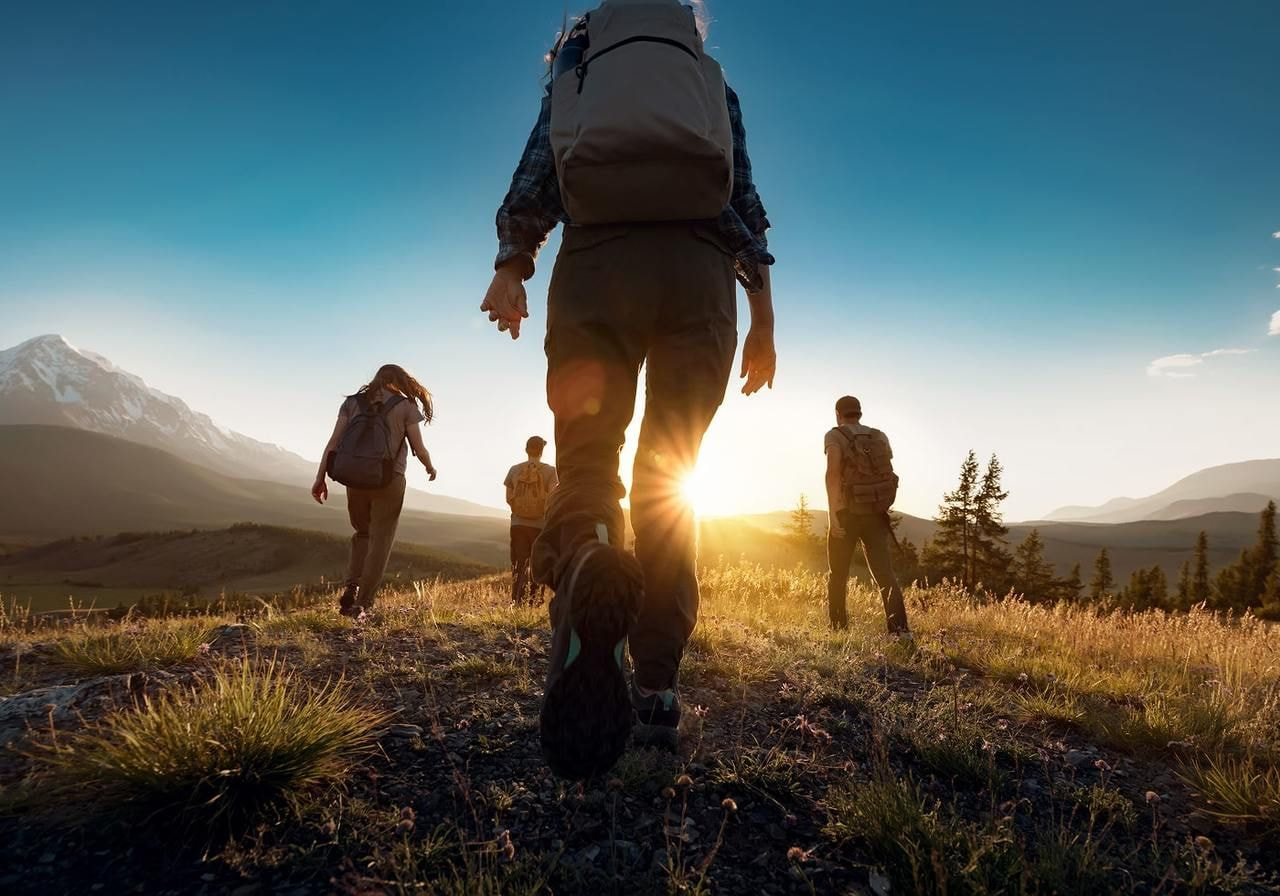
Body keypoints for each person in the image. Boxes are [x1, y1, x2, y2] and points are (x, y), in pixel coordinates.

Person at [481, 0, 777, 779]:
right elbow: (743, 204)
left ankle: (586, 557)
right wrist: (763, 321)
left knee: (586, 461)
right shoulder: (709, 83)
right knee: (668, 479)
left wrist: (512, 262)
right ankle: (655, 693)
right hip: (699, 281)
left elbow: (540, 170)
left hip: (596, 270)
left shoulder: (579, 69)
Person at [311, 364, 437, 618]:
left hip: (354, 477)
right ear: (400, 380)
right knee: (381, 540)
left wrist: (320, 477)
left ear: (376, 379)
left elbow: (333, 443)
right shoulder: (406, 406)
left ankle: (352, 584)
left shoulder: (352, 403)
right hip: (389, 480)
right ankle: (363, 603)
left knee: (362, 533)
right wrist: (429, 466)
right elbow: (418, 447)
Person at [824, 395, 910, 636]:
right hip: (875, 513)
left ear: (838, 414)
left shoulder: (834, 435)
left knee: (838, 574)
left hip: (846, 513)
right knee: (885, 574)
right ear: (859, 413)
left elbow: (832, 474)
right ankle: (901, 632)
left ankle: (839, 632)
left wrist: (833, 515)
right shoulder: (879, 436)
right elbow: (884, 471)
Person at [505, 436, 559, 605]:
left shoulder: (514, 470)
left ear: (526, 449)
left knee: (519, 563)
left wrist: (521, 509)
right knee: (538, 563)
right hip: (540, 525)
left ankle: (517, 600)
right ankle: (535, 601)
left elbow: (508, 498)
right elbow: (552, 498)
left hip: (518, 524)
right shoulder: (550, 471)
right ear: (542, 451)